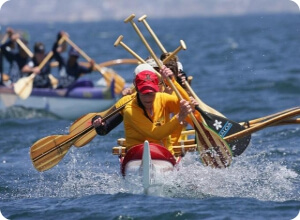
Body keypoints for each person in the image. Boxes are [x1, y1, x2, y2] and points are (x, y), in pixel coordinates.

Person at [92, 63, 193, 155]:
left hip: (164, 153)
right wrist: (98, 124)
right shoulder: (129, 107)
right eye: (144, 94)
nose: (148, 98)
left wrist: (173, 82)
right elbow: (104, 128)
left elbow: (189, 105)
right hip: (137, 154)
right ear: (136, 87)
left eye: (151, 94)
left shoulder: (162, 98)